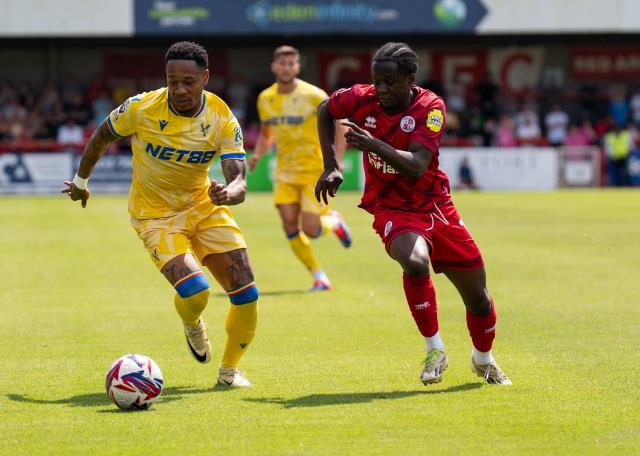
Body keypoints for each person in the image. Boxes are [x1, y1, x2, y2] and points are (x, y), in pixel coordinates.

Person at [61, 41, 258, 388]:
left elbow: (238, 176)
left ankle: (229, 371)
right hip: (155, 216)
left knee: (246, 292)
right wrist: (81, 181)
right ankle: (192, 322)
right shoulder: (141, 107)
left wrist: (229, 193)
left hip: (203, 206)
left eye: (188, 82)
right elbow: (101, 136)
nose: (179, 89)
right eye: (172, 81)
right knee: (196, 292)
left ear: (206, 78)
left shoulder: (221, 116)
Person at [315, 42, 511, 385]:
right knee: (416, 261)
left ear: (409, 80)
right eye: (377, 81)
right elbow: (323, 109)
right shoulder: (362, 98)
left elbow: (418, 166)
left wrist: (372, 143)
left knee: (478, 299)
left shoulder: (430, 108)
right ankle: (435, 350)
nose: (382, 89)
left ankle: (483, 359)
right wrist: (331, 164)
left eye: (390, 82)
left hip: (436, 206)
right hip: (391, 206)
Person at [250, 45, 352, 291]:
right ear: (274, 66)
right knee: (288, 225)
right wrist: (257, 155)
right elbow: (266, 134)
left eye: (291, 63)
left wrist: (336, 161)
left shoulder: (314, 95)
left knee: (312, 230)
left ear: (297, 67)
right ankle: (319, 276)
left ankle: (334, 223)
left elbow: (343, 125)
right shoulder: (265, 98)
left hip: (314, 171)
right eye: (281, 63)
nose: (286, 67)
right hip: (285, 172)